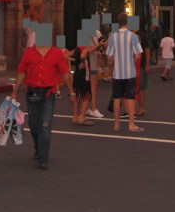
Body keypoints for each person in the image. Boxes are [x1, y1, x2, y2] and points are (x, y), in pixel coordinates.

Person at [12, 40, 74, 170]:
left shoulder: (56, 53)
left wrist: (71, 91)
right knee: (34, 124)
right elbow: (21, 71)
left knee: (45, 124)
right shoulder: (29, 52)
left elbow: (65, 73)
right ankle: (38, 146)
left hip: (48, 93)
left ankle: (43, 157)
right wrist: (14, 91)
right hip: (32, 91)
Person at [107, 13, 144, 133]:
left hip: (117, 73)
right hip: (130, 73)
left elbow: (109, 56)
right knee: (130, 98)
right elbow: (138, 55)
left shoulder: (113, 36)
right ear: (127, 22)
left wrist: (115, 62)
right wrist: (131, 61)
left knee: (117, 98)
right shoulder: (133, 36)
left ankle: (116, 124)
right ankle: (131, 124)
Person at [71, 45, 93, 126]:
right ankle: (82, 117)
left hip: (76, 73)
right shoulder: (86, 47)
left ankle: (75, 116)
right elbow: (83, 56)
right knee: (87, 95)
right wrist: (84, 62)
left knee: (77, 94)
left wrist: (76, 61)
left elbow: (64, 55)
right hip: (84, 74)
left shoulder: (77, 48)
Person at [87, 30, 105, 118]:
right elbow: (87, 50)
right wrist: (98, 45)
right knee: (92, 86)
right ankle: (93, 109)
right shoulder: (84, 35)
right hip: (88, 64)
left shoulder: (95, 35)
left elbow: (101, 46)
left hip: (93, 63)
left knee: (92, 86)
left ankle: (86, 107)